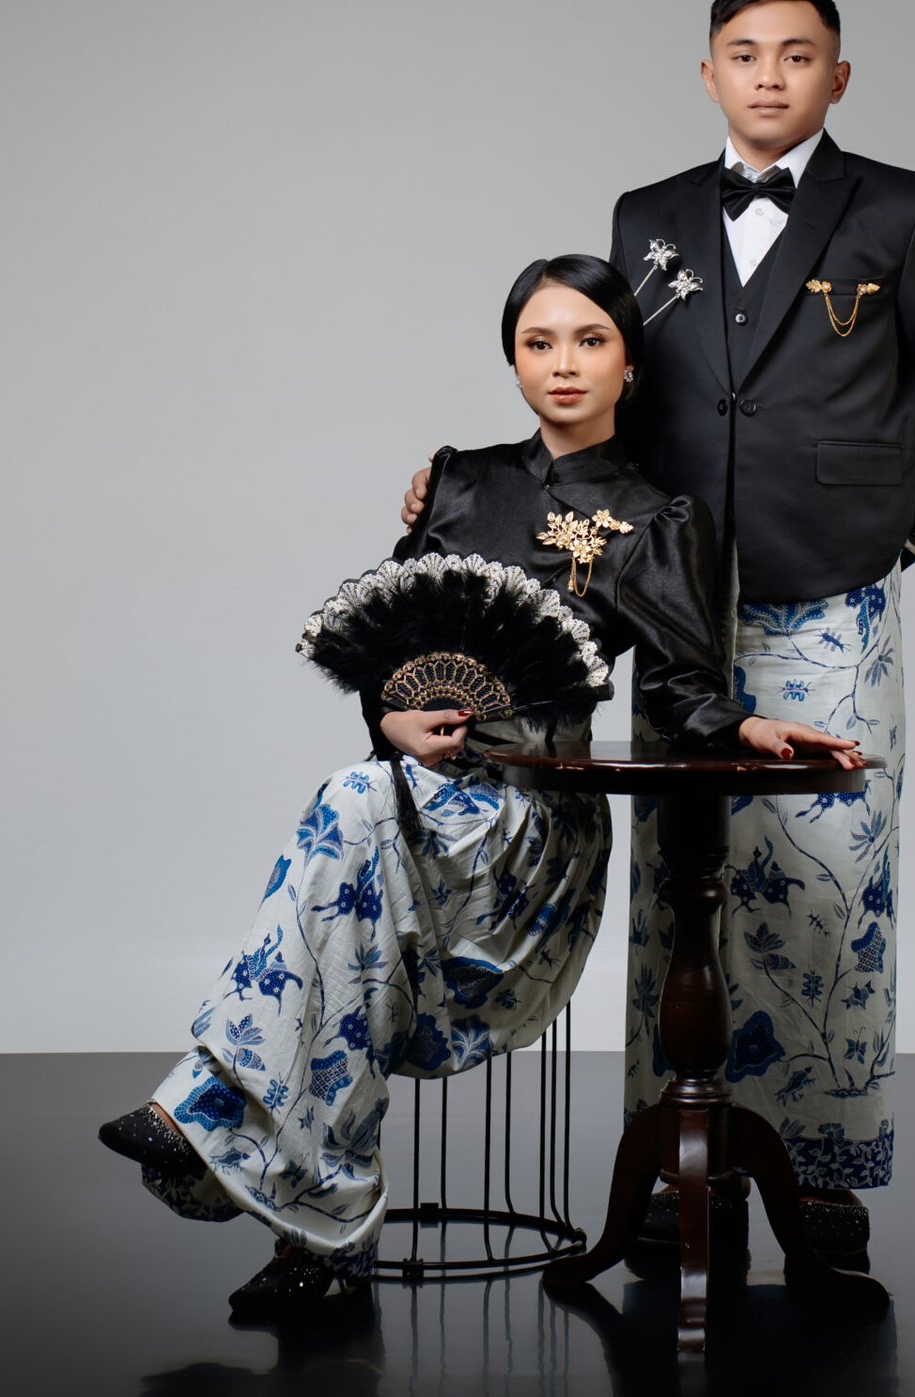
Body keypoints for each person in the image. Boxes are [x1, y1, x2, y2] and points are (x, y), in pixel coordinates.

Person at [102, 253, 858, 1316]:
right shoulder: (460, 481)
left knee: (348, 807)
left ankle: (218, 1119)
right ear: (511, 360)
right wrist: (389, 715)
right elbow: (391, 639)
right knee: (357, 813)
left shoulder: (660, 519)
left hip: (531, 825)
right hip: (420, 797)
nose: (564, 363)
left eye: (590, 340)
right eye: (538, 342)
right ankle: (314, 1221)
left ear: (631, 364)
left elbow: (683, 687)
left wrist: (746, 722)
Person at [403, 0, 915, 1256]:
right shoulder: (648, 216)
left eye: (798, 55)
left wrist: (901, 532)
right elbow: (604, 389)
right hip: (670, 598)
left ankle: (825, 1172)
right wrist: (481, 485)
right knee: (682, 874)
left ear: (837, 78)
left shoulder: (904, 210)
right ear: (707, 75)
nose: (770, 76)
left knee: (830, 869)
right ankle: (680, 1161)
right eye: (744, 54)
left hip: (827, 589)